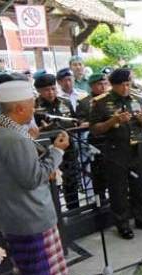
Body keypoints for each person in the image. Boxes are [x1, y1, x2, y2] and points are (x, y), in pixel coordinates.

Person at [0, 80, 71, 275]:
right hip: (30, 217)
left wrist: (31, 141)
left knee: (26, 274)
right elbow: (34, 178)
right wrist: (57, 151)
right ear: (19, 108)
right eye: (32, 104)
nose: (35, 108)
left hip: (10, 217)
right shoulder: (15, 139)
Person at [90, 68, 142, 239]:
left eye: (129, 84)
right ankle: (123, 224)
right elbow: (95, 130)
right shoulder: (101, 102)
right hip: (116, 152)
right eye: (123, 85)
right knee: (118, 190)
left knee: (138, 186)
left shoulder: (137, 98)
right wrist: (113, 121)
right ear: (114, 85)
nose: (127, 88)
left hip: (138, 150)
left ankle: (140, 217)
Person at [33, 73, 81, 210]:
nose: (51, 92)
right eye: (46, 90)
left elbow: (75, 120)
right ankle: (55, 212)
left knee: (71, 179)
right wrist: (43, 129)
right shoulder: (34, 107)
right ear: (39, 91)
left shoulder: (64, 102)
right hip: (46, 151)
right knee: (50, 182)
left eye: (53, 88)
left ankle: (74, 209)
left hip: (68, 147)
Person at [77, 73, 110, 199]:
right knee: (98, 173)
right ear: (91, 86)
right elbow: (80, 121)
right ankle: (99, 199)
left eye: (105, 83)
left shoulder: (111, 99)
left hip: (111, 140)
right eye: (99, 84)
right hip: (96, 141)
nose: (103, 87)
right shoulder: (85, 102)